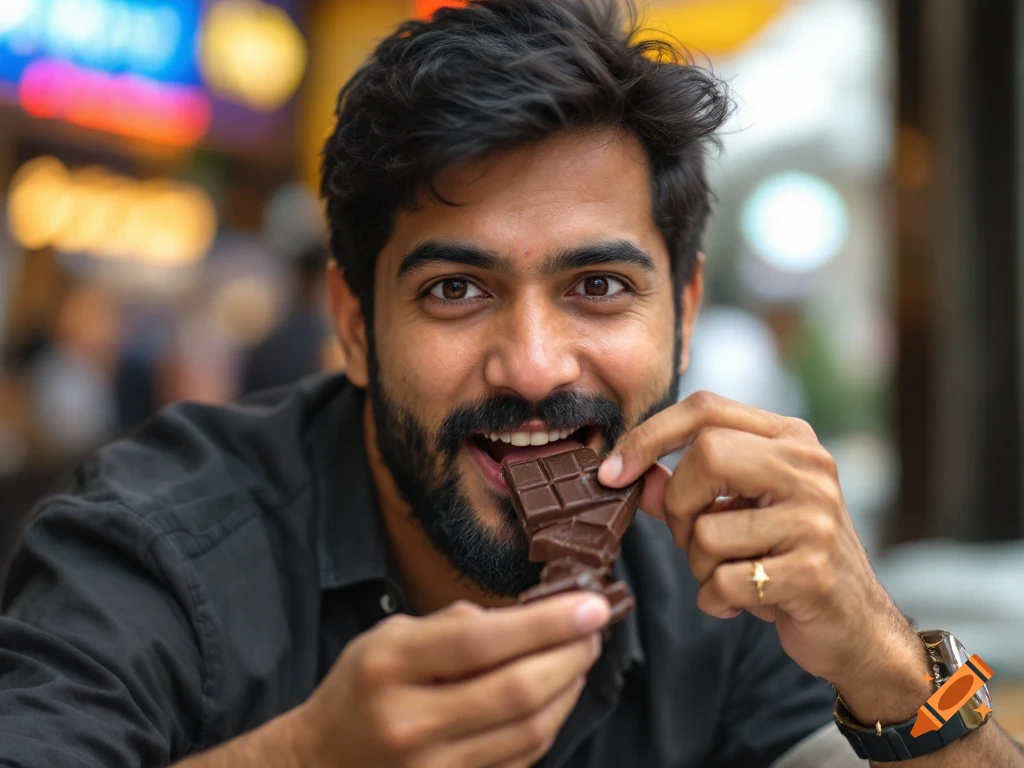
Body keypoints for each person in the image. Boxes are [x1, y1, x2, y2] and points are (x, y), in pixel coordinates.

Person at [1, 2, 1021, 766]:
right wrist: (305, 757)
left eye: (597, 286)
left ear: (687, 308)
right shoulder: (154, 551)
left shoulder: (721, 585)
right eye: (455, 289)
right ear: (354, 325)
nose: (533, 365)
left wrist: (887, 665)